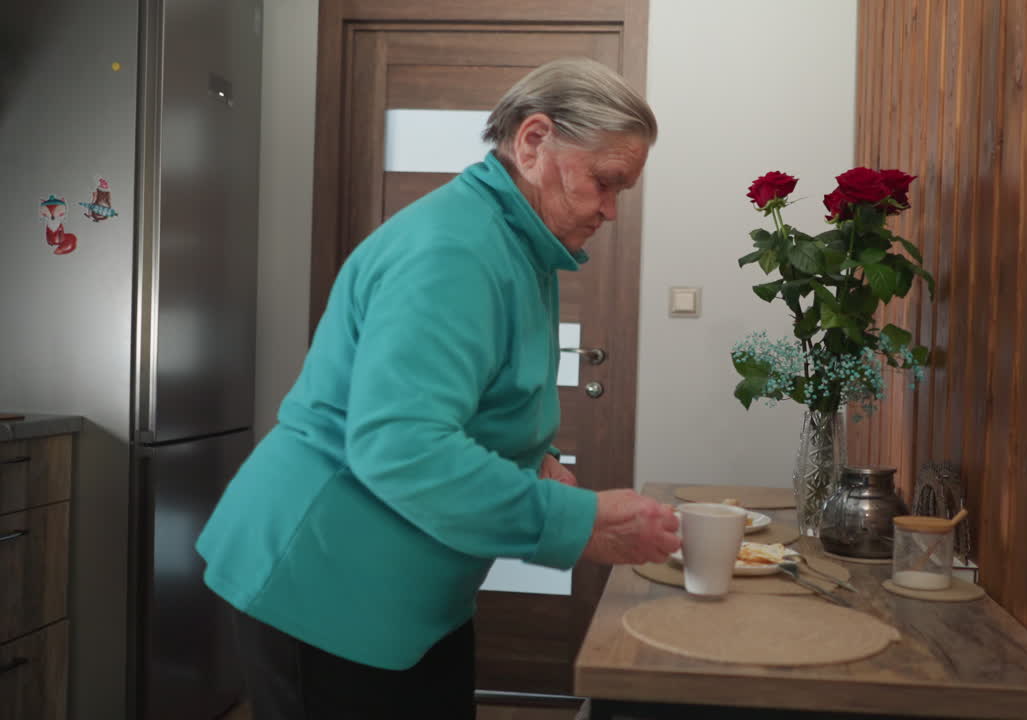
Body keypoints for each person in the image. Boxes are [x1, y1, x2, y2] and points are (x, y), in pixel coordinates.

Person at [195, 57, 681, 720]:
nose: (610, 210)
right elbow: (400, 445)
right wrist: (577, 525)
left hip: (403, 590)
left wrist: (527, 461)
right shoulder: (456, 250)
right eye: (605, 182)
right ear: (533, 140)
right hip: (326, 580)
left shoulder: (514, 244)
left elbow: (466, 399)